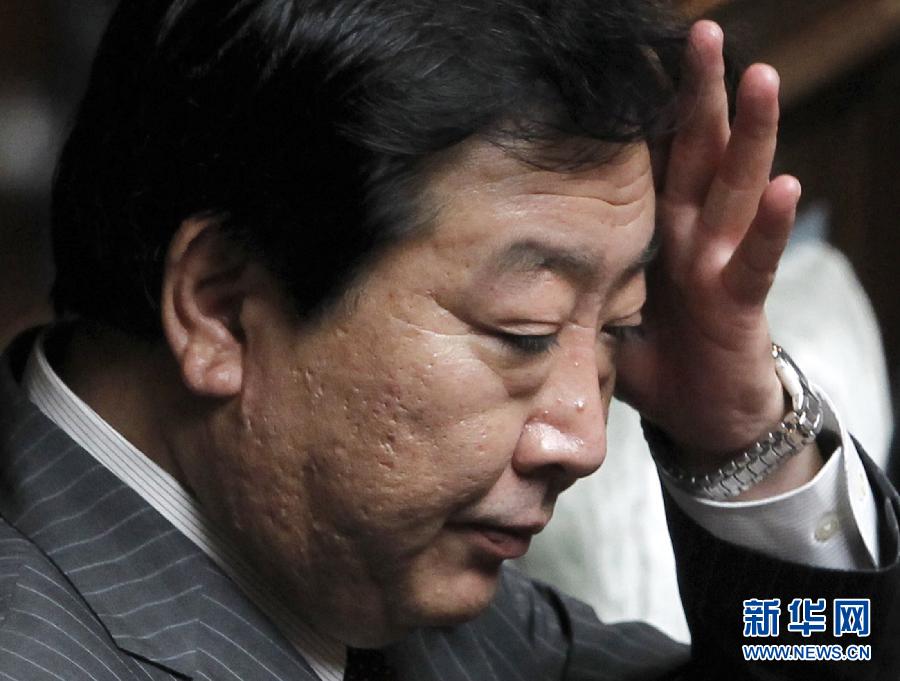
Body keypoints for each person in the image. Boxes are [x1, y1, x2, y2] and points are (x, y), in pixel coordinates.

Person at [1, 1, 897, 680]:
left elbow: (824, 652)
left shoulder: (412, 603)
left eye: (618, 326)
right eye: (525, 329)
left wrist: (741, 438)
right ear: (221, 308)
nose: (585, 439)